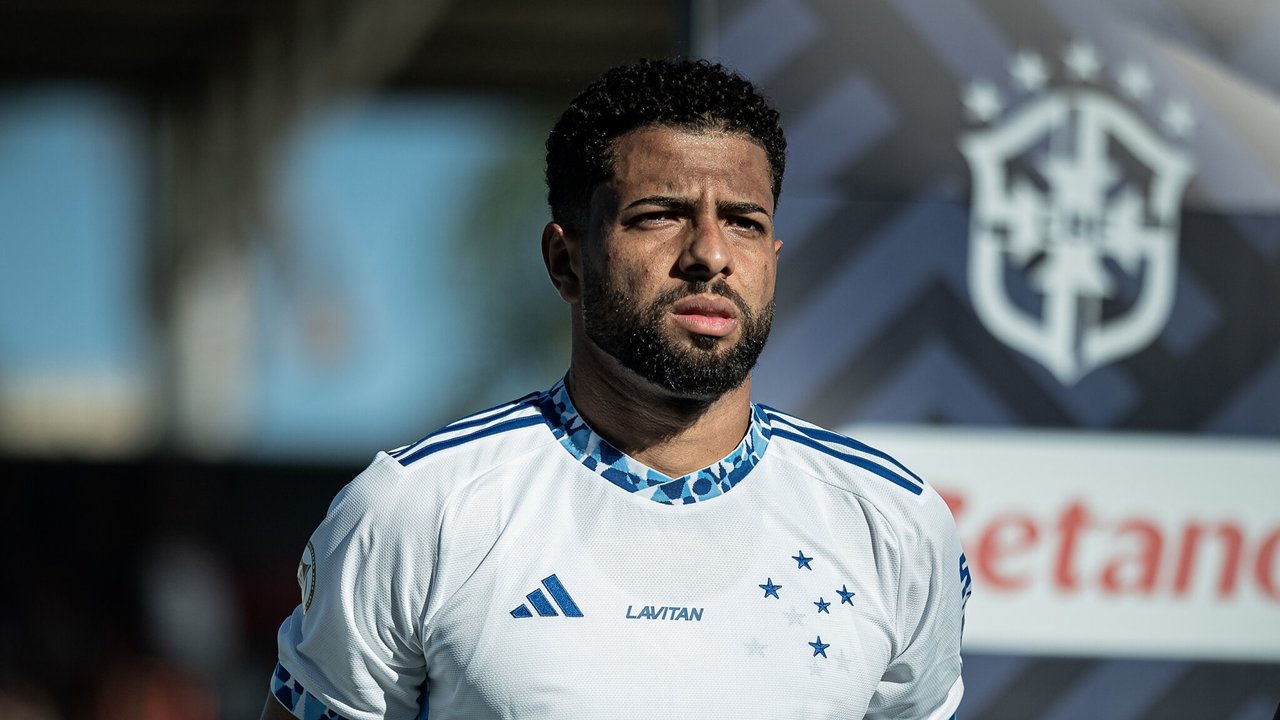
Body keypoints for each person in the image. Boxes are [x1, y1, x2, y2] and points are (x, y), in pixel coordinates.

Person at [260, 58, 969, 720]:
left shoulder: (895, 527)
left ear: (773, 257)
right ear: (564, 263)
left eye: (744, 222)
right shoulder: (417, 513)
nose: (711, 256)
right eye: (660, 215)